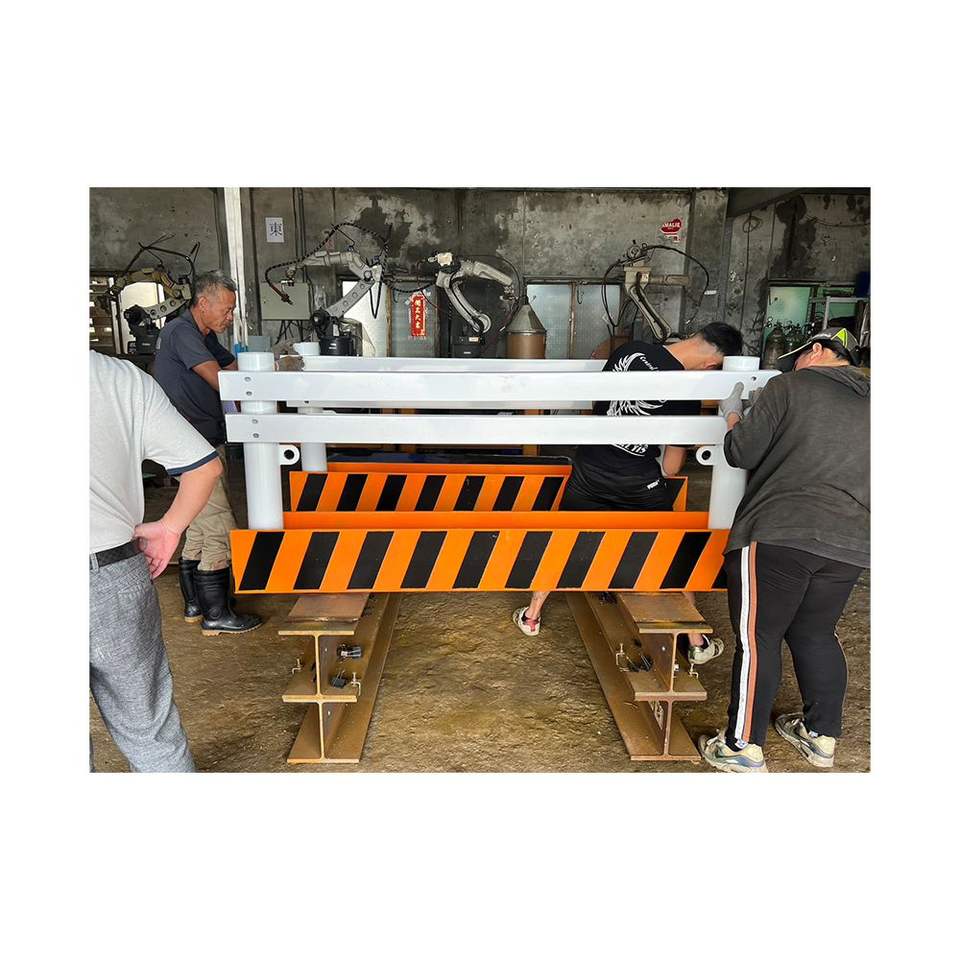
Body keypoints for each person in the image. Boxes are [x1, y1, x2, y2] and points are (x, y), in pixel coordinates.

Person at [511, 321, 745, 657]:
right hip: (638, 483)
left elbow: (601, 404)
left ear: (696, 337)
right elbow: (671, 467)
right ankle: (697, 642)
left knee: (564, 541)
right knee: (668, 552)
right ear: (712, 364)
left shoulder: (629, 351)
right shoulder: (685, 391)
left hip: (590, 468)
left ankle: (532, 615)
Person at [698, 327, 869, 772]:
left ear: (817, 350)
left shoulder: (789, 386)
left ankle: (741, 745)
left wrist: (732, 417)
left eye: (797, 358)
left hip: (780, 531)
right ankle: (821, 736)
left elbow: (742, 452)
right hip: (851, 541)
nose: (792, 367)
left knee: (758, 637)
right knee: (816, 632)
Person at [90, 351, 223, 771]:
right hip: (114, 571)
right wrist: (169, 528)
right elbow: (205, 468)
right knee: (150, 731)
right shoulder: (120, 378)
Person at [152, 270, 261, 635]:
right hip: (191, 443)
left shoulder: (204, 335)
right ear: (202, 303)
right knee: (218, 525)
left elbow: (233, 367)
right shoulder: (181, 333)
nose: (230, 317)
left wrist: (271, 369)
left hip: (200, 438)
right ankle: (217, 613)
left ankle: (195, 605)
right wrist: (260, 393)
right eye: (226, 310)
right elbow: (219, 379)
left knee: (198, 524)